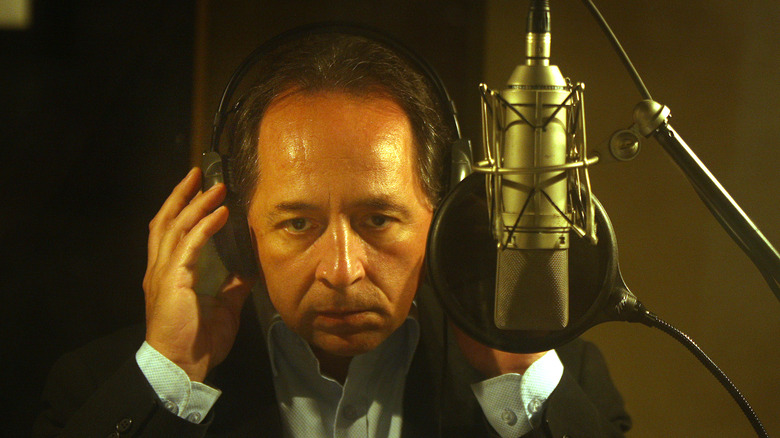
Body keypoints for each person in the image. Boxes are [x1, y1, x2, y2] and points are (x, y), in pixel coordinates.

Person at [34, 30, 631, 437]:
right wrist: (168, 376)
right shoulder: (97, 389)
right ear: (241, 230)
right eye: (298, 224)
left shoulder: (566, 381)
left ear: (447, 212)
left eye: (378, 219)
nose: (342, 271)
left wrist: (518, 382)